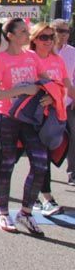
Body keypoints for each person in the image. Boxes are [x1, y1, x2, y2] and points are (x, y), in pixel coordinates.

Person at [0, 18, 48, 235]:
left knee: (40, 162)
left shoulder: (32, 57)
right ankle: (2, 213)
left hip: (29, 118)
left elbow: (45, 81)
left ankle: (26, 213)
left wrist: (48, 95)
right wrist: (21, 90)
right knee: (7, 163)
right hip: (4, 116)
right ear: (10, 35)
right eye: (22, 31)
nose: (27, 34)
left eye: (27, 31)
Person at [27, 21, 70, 217]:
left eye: (50, 37)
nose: (48, 41)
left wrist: (55, 95)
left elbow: (65, 85)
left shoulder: (57, 60)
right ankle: (47, 199)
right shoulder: (29, 58)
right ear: (34, 39)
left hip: (53, 116)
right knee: (39, 158)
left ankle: (33, 196)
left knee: (43, 157)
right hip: (32, 116)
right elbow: (28, 85)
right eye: (43, 37)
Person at [50, 18, 75, 185]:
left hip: (68, 102)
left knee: (73, 136)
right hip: (48, 103)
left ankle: (72, 173)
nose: (65, 34)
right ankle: (42, 173)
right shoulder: (44, 51)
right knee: (46, 139)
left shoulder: (72, 52)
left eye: (67, 31)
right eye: (61, 30)